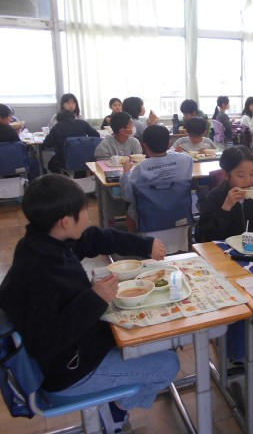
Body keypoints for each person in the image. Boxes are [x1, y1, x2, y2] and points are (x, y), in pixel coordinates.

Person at [0, 174, 178, 433]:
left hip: (83, 348)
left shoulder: (45, 241)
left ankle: (113, 403)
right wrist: (94, 299)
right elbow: (44, 342)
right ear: (65, 221)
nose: (88, 217)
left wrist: (144, 244)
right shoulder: (36, 273)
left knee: (152, 336)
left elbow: (94, 238)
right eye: (84, 211)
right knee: (169, 364)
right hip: (69, 371)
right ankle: (116, 410)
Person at [120, 125, 193, 232]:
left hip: (150, 220)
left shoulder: (140, 168)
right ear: (169, 144)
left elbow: (128, 196)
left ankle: (134, 238)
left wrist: (126, 172)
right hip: (180, 216)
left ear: (145, 146)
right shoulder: (186, 160)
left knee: (129, 206)